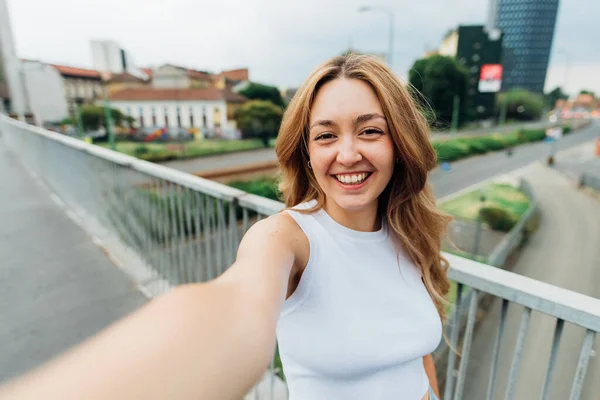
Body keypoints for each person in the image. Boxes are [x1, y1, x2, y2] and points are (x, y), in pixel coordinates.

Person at [0, 54, 450, 400]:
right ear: (306, 153)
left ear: (400, 143)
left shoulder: (407, 232)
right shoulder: (287, 238)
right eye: (326, 135)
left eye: (370, 131)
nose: (347, 153)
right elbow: (227, 311)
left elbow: (417, 356)